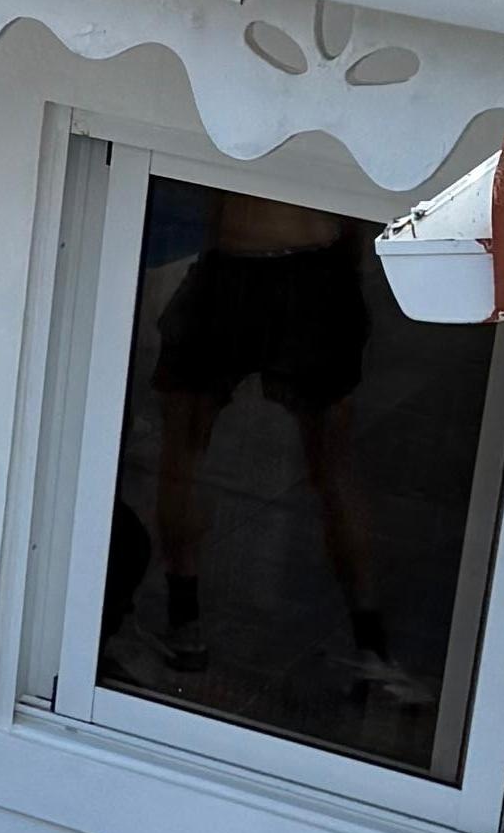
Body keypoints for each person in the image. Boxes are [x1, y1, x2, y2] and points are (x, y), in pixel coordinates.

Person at [138, 192, 408, 696]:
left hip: (241, 260)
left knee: (185, 453)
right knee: (332, 466)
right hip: (309, 263)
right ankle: (371, 643)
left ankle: (185, 620)